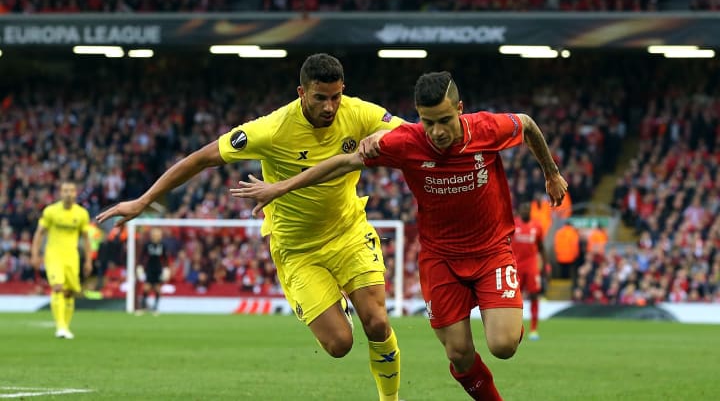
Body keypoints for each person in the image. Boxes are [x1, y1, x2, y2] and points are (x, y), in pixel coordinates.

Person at [230, 71, 568, 400]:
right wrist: (280, 187)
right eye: (427, 121)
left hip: (491, 252)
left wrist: (551, 173)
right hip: (441, 261)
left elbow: (525, 123)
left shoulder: (486, 129)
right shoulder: (407, 142)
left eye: (444, 120)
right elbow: (341, 163)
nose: (436, 131)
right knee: (459, 353)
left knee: (503, 345)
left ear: (460, 110)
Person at [96, 53, 403, 401]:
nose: (330, 107)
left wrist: (380, 135)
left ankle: (390, 399)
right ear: (302, 92)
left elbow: (410, 133)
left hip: (349, 232)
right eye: (320, 98)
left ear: (343, 91)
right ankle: (337, 308)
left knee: (377, 323)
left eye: (335, 97)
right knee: (339, 345)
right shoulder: (271, 129)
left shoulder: (359, 112)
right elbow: (201, 159)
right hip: (297, 250)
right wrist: (143, 200)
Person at [30, 181, 93, 339]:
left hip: (72, 256)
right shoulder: (50, 211)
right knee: (57, 287)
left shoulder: (81, 214)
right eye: (65, 190)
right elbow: (39, 233)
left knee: (70, 292)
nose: (68, 193)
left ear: (75, 193)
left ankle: (65, 326)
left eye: (71, 190)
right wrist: (35, 254)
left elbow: (86, 238)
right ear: (60, 193)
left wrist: (88, 261)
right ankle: (61, 327)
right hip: (54, 255)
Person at [511, 203, 547, 341]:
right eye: (523, 210)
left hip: (532, 266)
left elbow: (542, 247)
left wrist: (545, 266)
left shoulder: (537, 226)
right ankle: (515, 328)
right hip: (516, 266)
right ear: (519, 211)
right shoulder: (513, 224)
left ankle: (533, 329)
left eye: (528, 210)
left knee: (533, 296)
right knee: (514, 298)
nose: (525, 212)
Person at [136, 227, 168, 315]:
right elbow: (142, 257)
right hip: (149, 268)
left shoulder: (162, 245)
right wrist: (140, 267)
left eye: (158, 234)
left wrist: (166, 269)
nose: (156, 236)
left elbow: (165, 259)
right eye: (154, 234)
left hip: (158, 269)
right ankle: (143, 307)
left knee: (157, 289)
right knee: (146, 288)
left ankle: (155, 308)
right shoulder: (147, 244)